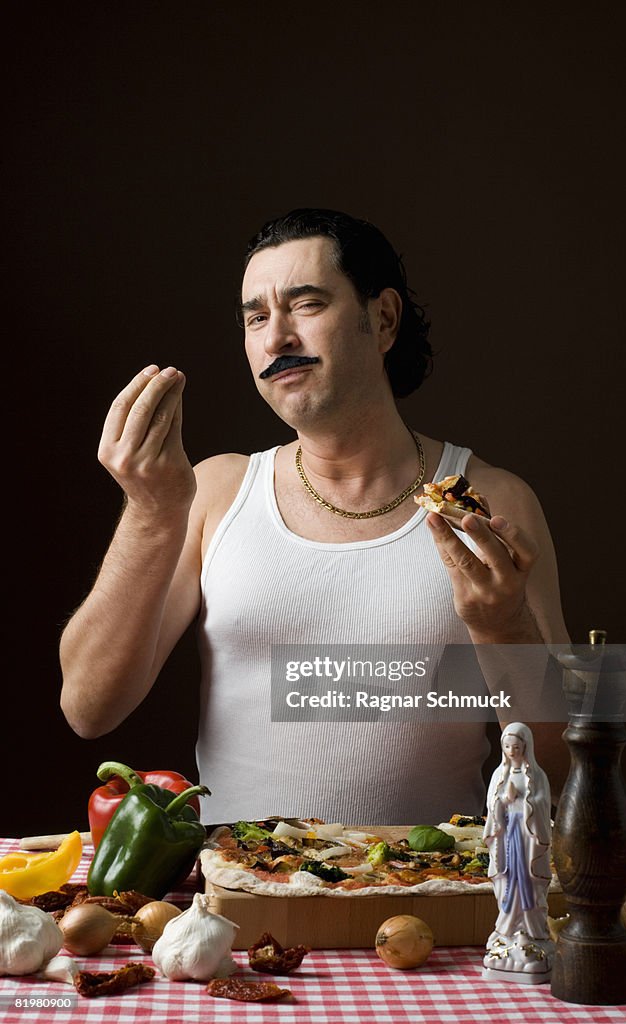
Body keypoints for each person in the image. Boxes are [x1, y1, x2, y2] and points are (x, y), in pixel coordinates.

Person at [59, 208, 570, 825]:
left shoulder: (492, 503)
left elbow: (563, 761)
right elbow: (89, 708)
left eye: (305, 304)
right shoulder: (212, 492)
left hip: (432, 895)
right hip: (247, 891)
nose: (275, 339)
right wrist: (149, 512)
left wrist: (504, 626)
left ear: (381, 320)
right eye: (255, 317)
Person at [483, 723, 553, 943]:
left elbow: (543, 803)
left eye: (516, 746)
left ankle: (532, 928)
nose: (512, 751)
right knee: (506, 878)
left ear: (526, 746)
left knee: (529, 879)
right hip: (507, 837)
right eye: (507, 746)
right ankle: (507, 926)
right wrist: (503, 800)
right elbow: (492, 803)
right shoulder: (499, 774)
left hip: (527, 837)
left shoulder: (536, 775)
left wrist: (524, 802)